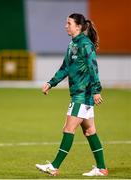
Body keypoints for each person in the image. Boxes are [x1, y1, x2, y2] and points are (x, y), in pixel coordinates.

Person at [36, 13, 108, 177]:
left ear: (78, 26)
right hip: (80, 95)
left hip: (82, 96)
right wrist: (51, 83)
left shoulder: (85, 45)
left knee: (68, 129)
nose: (65, 26)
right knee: (90, 131)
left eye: (68, 23)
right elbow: (65, 68)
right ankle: (102, 168)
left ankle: (54, 166)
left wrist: (97, 90)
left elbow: (93, 68)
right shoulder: (72, 44)